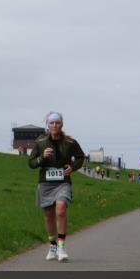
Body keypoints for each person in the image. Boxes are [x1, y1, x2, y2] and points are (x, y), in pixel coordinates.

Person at [27, 112, 86, 262]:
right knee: (48, 216)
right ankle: (52, 245)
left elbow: (80, 157)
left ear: (62, 124)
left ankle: (61, 246)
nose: (54, 125)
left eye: (57, 123)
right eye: (52, 123)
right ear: (48, 125)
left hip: (63, 181)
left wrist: (72, 168)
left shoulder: (70, 142)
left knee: (60, 210)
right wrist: (42, 157)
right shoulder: (40, 142)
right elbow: (31, 163)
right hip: (45, 182)